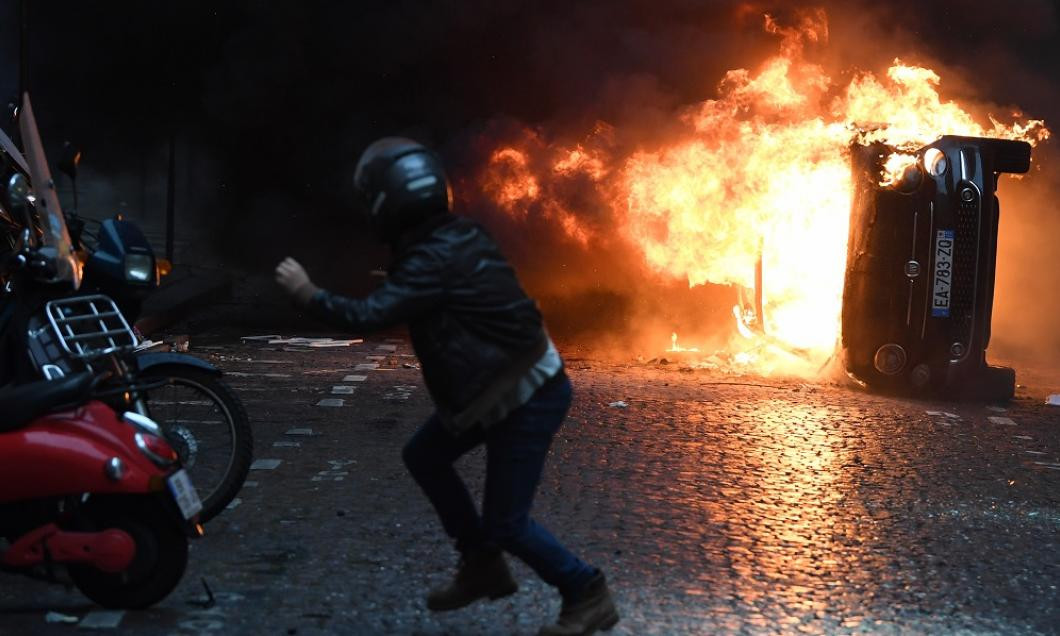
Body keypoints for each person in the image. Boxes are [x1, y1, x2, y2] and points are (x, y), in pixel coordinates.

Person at [274, 137, 619, 635]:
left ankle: (586, 591)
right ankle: (482, 564)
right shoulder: (455, 237)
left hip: (525, 396)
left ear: (387, 203)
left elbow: (369, 314)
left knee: (507, 522)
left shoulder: (431, 260)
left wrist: (308, 294)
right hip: (496, 390)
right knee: (425, 456)